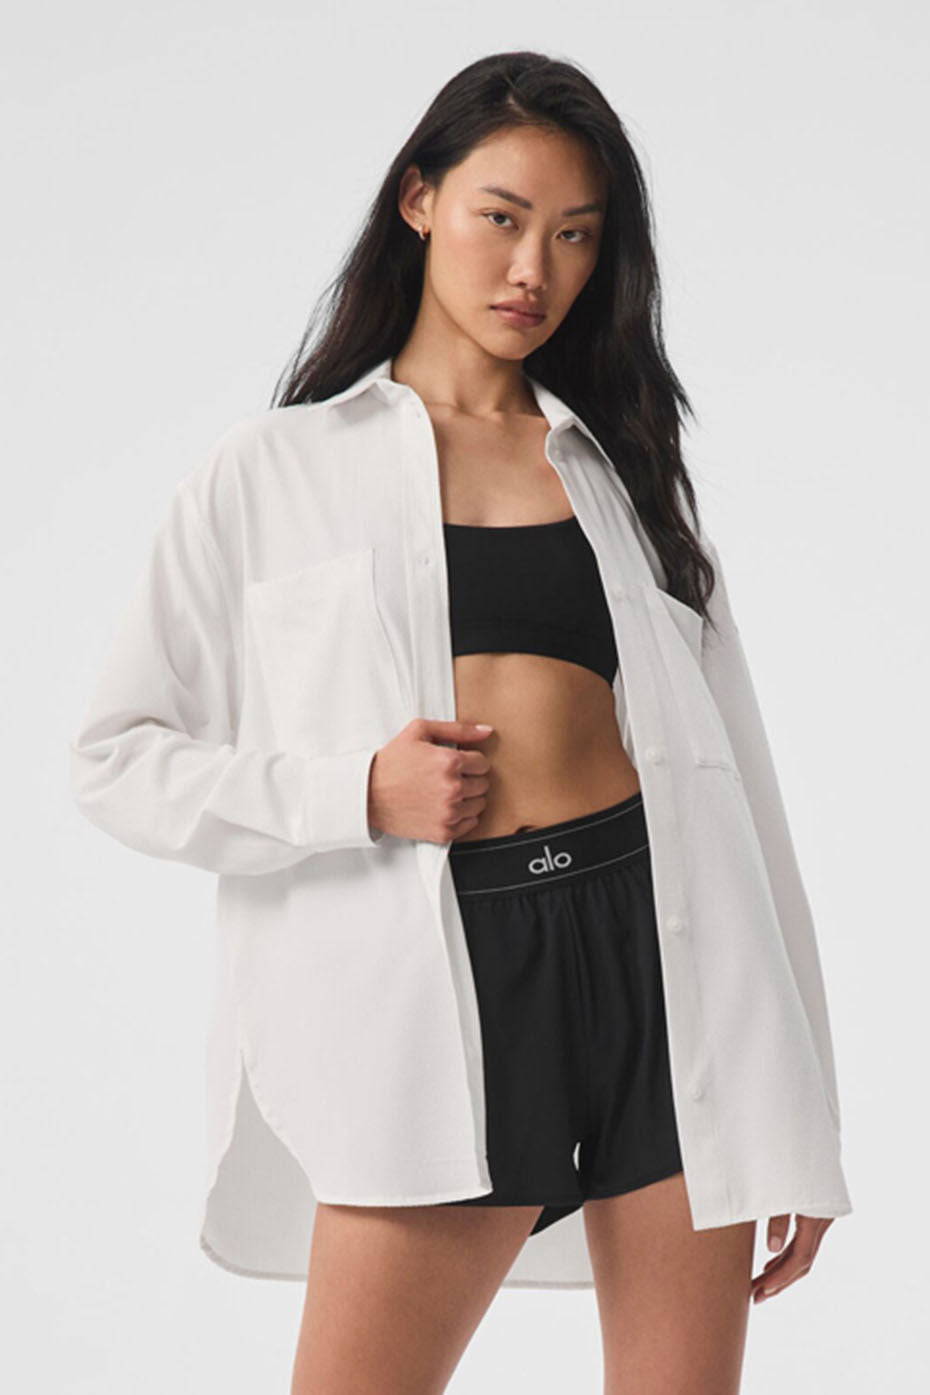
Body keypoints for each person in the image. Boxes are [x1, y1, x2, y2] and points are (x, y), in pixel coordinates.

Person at [69, 50, 852, 1395]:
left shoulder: (625, 476)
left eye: (575, 236)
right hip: (445, 980)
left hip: (665, 961)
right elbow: (115, 757)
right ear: (419, 199)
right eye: (502, 216)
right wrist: (353, 793)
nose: (532, 270)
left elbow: (742, 807)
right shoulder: (273, 472)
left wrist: (800, 1117)